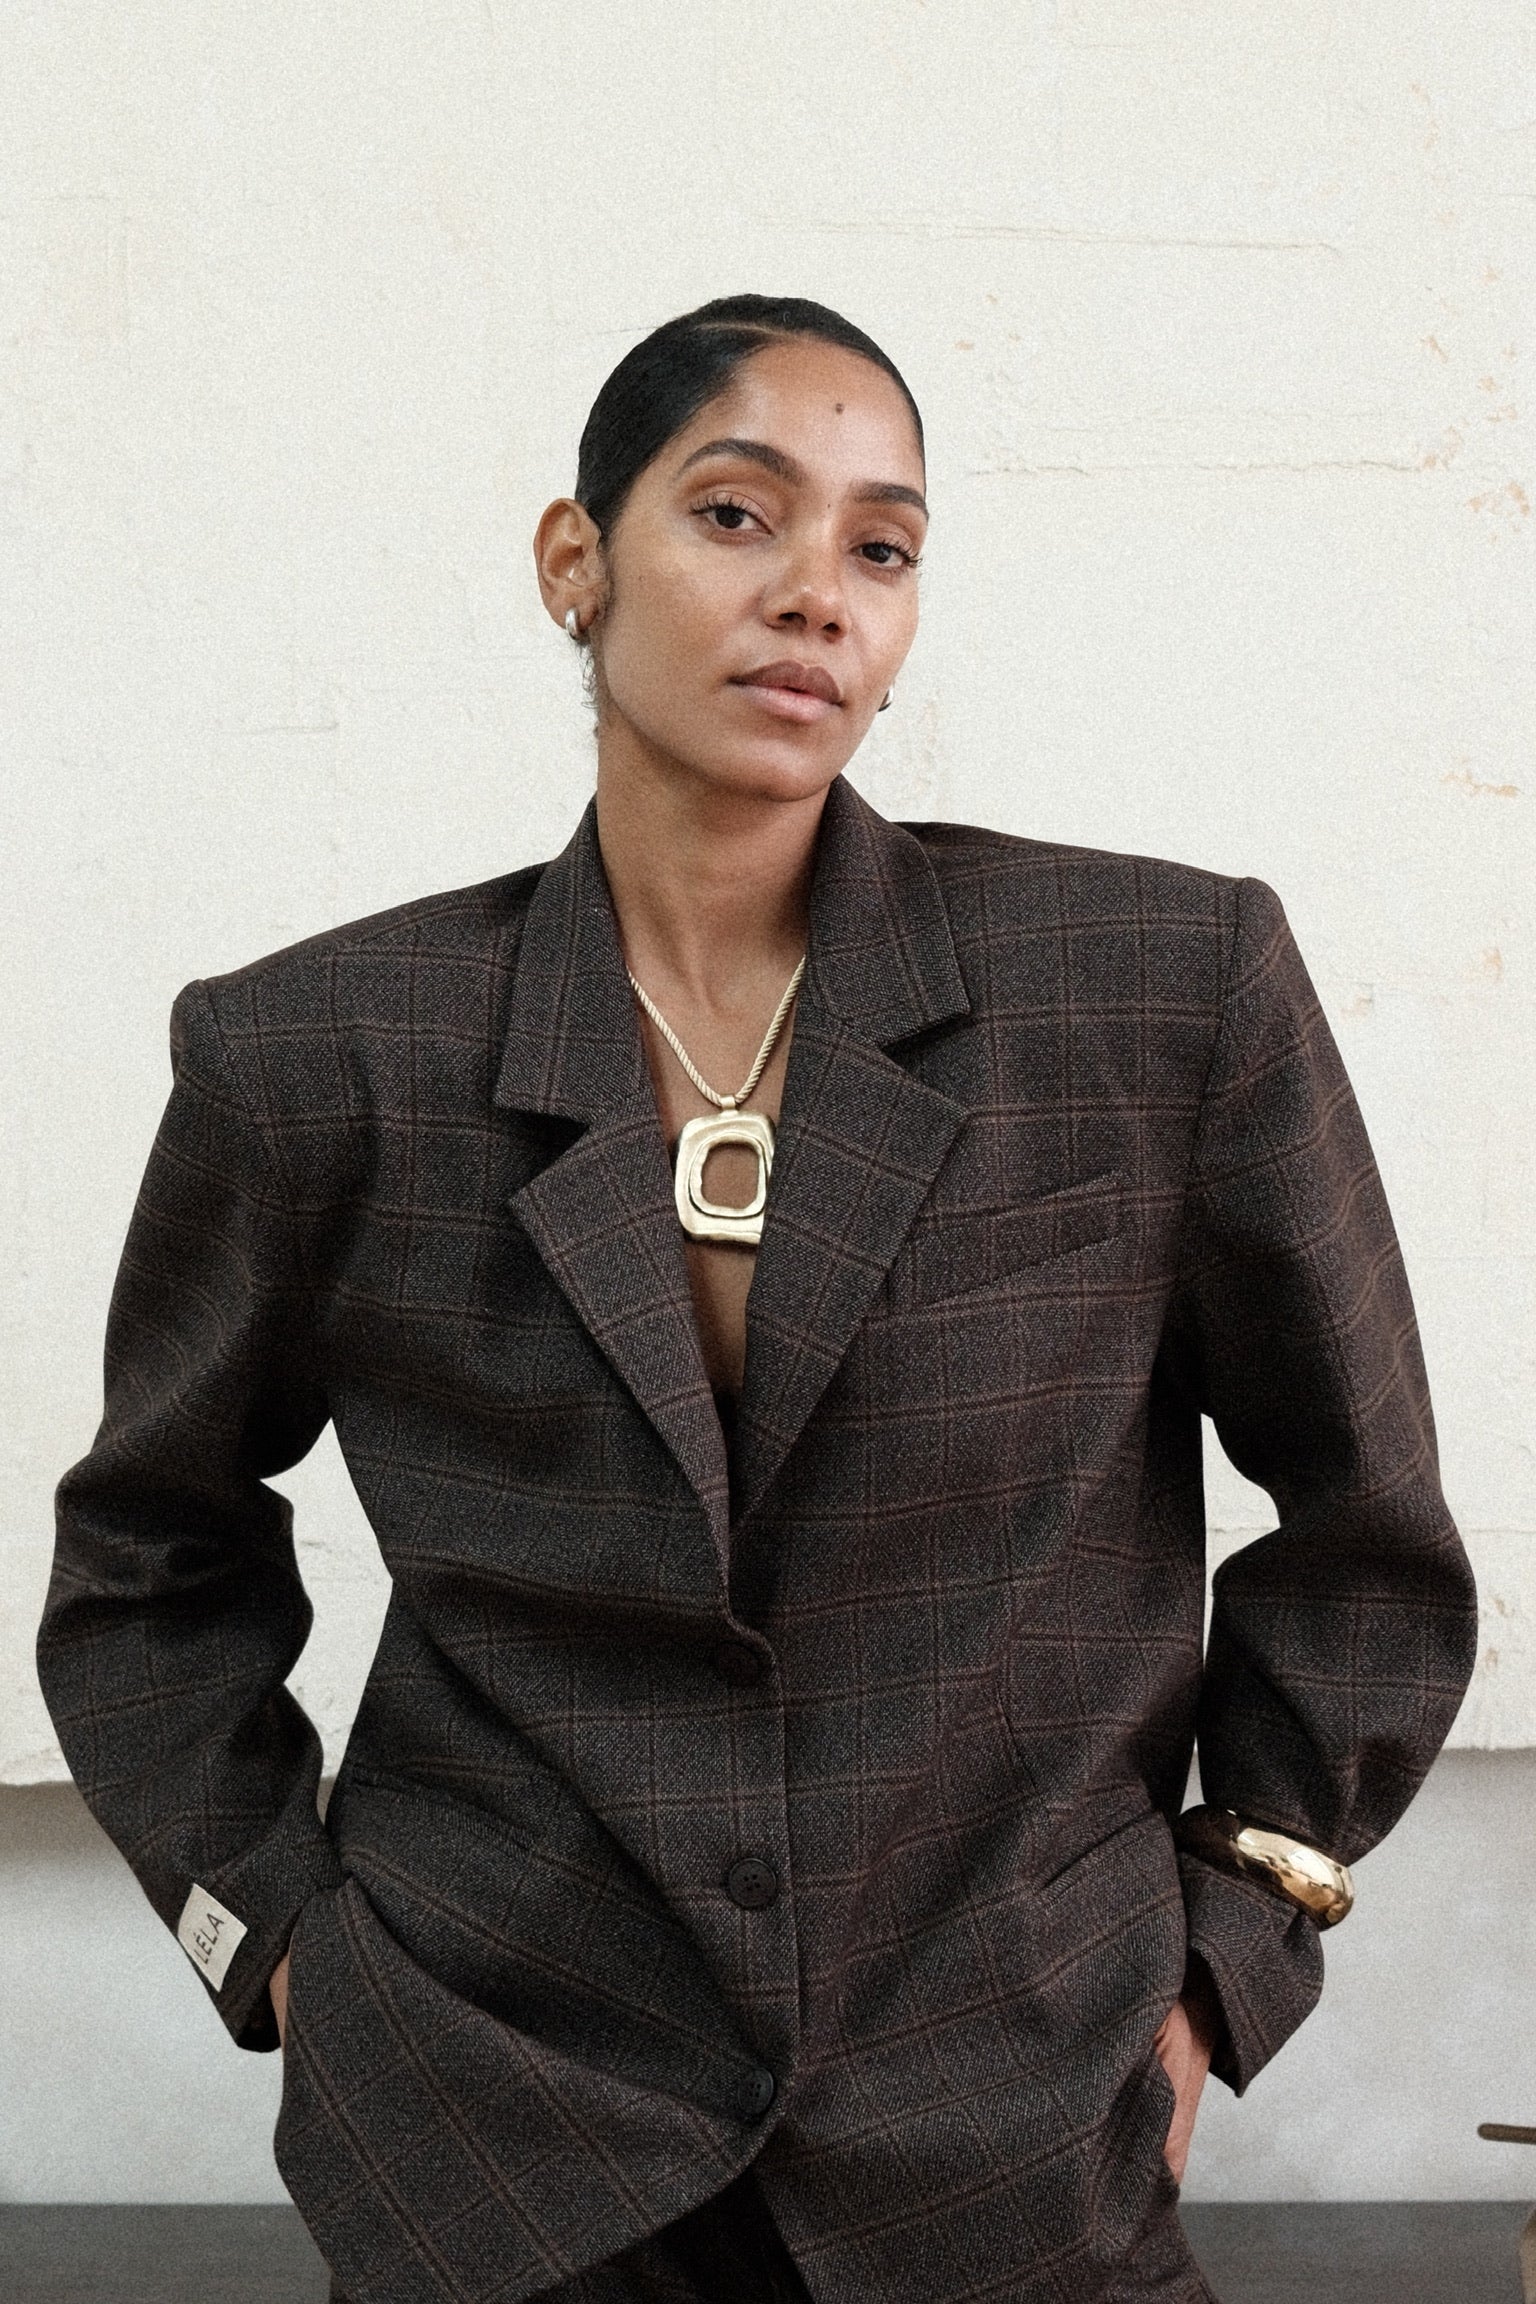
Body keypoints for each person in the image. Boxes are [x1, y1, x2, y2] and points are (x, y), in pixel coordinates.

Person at [37, 295, 1477, 2304]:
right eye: (737, 514)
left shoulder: (1156, 989)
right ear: (575, 561)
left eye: (880, 549)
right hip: (498, 2156)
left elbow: (1371, 1537)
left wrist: (1231, 1948)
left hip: (1017, 2151)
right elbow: (144, 1562)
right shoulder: (321, 1053)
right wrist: (282, 1950)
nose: (817, 593)